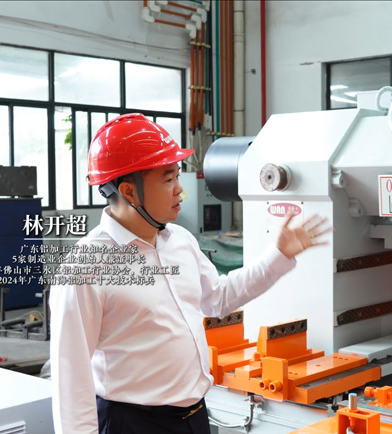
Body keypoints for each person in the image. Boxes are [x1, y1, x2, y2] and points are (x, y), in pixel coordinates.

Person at [49, 113, 329, 434]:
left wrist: (278, 256)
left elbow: (218, 298)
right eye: (167, 179)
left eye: (177, 176)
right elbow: (70, 379)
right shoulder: (86, 268)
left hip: (194, 417)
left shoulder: (180, 240)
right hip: (133, 424)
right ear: (129, 192)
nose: (180, 190)